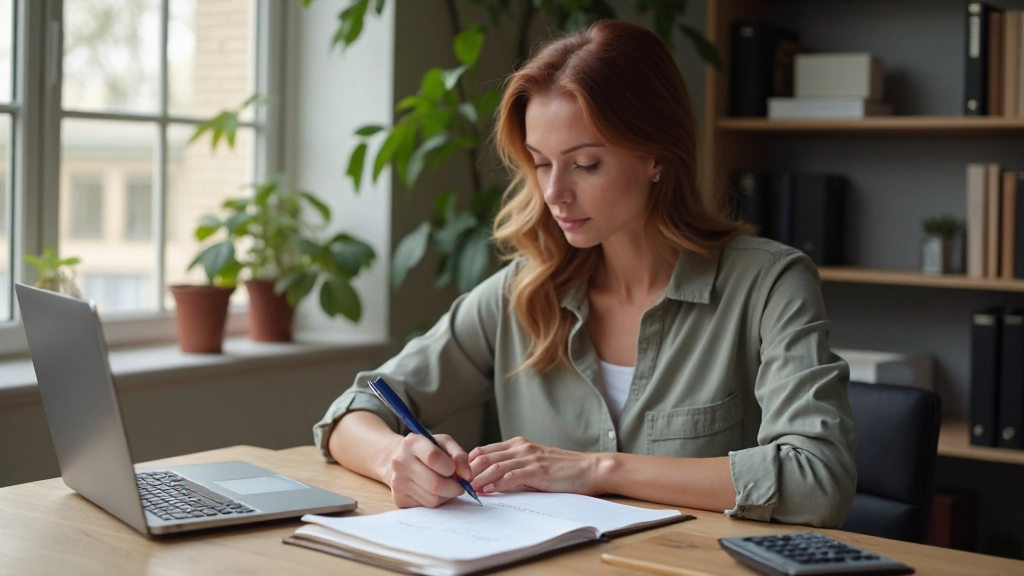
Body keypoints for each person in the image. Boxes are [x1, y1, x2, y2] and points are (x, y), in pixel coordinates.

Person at [314, 19, 857, 528]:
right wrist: (395, 459)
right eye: (542, 163)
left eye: (585, 163)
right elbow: (351, 413)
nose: (554, 194)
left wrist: (598, 469)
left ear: (657, 157)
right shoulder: (522, 293)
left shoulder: (769, 284)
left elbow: (819, 479)